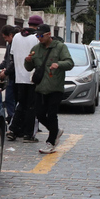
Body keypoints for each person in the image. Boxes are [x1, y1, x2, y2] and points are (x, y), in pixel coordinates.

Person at [24, 25, 74, 154]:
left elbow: (70, 63)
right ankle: (55, 131)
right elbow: (29, 68)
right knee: (40, 114)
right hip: (40, 87)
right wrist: (28, 61)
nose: (39, 38)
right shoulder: (35, 49)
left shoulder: (60, 47)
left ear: (48, 34)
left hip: (55, 86)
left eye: (41, 35)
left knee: (52, 114)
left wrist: (59, 64)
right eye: (37, 36)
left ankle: (51, 142)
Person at [8, 15, 42, 142]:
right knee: (31, 107)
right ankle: (28, 134)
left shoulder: (16, 36)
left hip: (19, 78)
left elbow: (12, 55)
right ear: (38, 26)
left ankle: (13, 130)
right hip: (33, 77)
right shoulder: (36, 38)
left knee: (20, 104)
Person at [0, 25, 19, 124]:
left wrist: (5, 72)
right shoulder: (9, 45)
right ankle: (11, 117)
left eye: (5, 38)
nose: (5, 40)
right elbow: (6, 60)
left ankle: (14, 119)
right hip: (10, 76)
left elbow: (15, 62)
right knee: (9, 99)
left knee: (15, 99)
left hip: (17, 76)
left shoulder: (17, 45)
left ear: (11, 35)